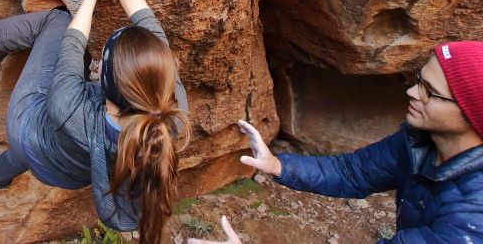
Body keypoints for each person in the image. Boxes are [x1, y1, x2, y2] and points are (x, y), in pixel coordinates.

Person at [0, 0, 191, 244]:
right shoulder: (169, 118)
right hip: (66, 174)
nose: (97, 62)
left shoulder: (70, 109)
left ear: (104, 84)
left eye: (102, 60)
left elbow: (72, 44)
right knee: (26, 155)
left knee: (57, 21)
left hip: (28, 128)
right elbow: (152, 33)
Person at [188, 42, 483, 244]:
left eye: (430, 92)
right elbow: (352, 172)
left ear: (472, 113)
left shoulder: (471, 219)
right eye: (419, 80)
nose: (411, 92)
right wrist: (278, 165)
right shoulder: (420, 142)